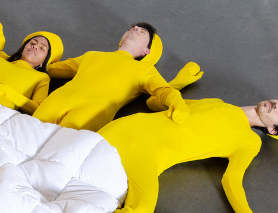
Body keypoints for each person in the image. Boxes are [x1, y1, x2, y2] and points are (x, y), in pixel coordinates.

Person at [100, 99, 278, 213]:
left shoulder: (250, 142)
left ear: (273, 130)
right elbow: (156, 102)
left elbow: (232, 179)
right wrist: (177, 85)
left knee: (137, 211)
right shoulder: (218, 103)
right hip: (130, 129)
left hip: (143, 153)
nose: (277, 105)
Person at [33, 23, 191, 132]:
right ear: (121, 39)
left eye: (142, 32)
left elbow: (164, 90)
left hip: (93, 111)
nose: (135, 29)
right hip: (59, 98)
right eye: (133, 28)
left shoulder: (144, 70)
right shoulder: (92, 55)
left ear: (146, 51)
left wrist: (177, 103)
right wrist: (28, 61)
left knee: (59, 150)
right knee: (25, 134)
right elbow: (54, 69)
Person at [0, 31, 63, 113]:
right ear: (22, 49)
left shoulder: (42, 77)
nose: (35, 46)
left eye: (42, 48)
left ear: (44, 62)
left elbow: (37, 107)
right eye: (33, 43)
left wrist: (5, 91)